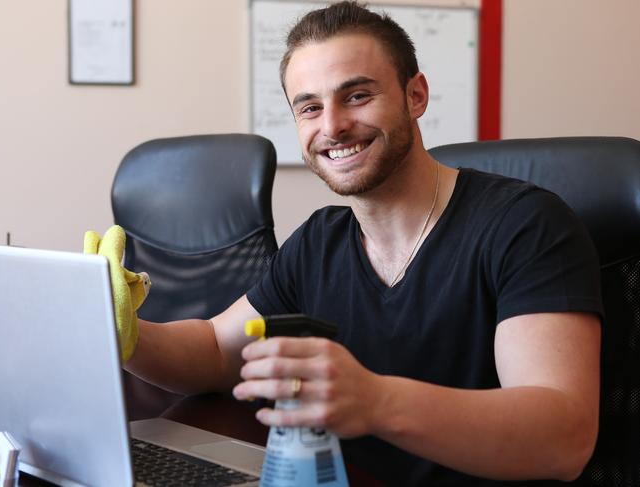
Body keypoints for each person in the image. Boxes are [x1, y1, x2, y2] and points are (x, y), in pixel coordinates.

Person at [111, 2, 603, 485]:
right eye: (309, 107)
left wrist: (376, 401)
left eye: (357, 95)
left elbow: (564, 439)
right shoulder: (320, 241)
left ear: (415, 96)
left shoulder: (526, 225)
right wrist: (124, 328)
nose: (332, 126)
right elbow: (219, 351)